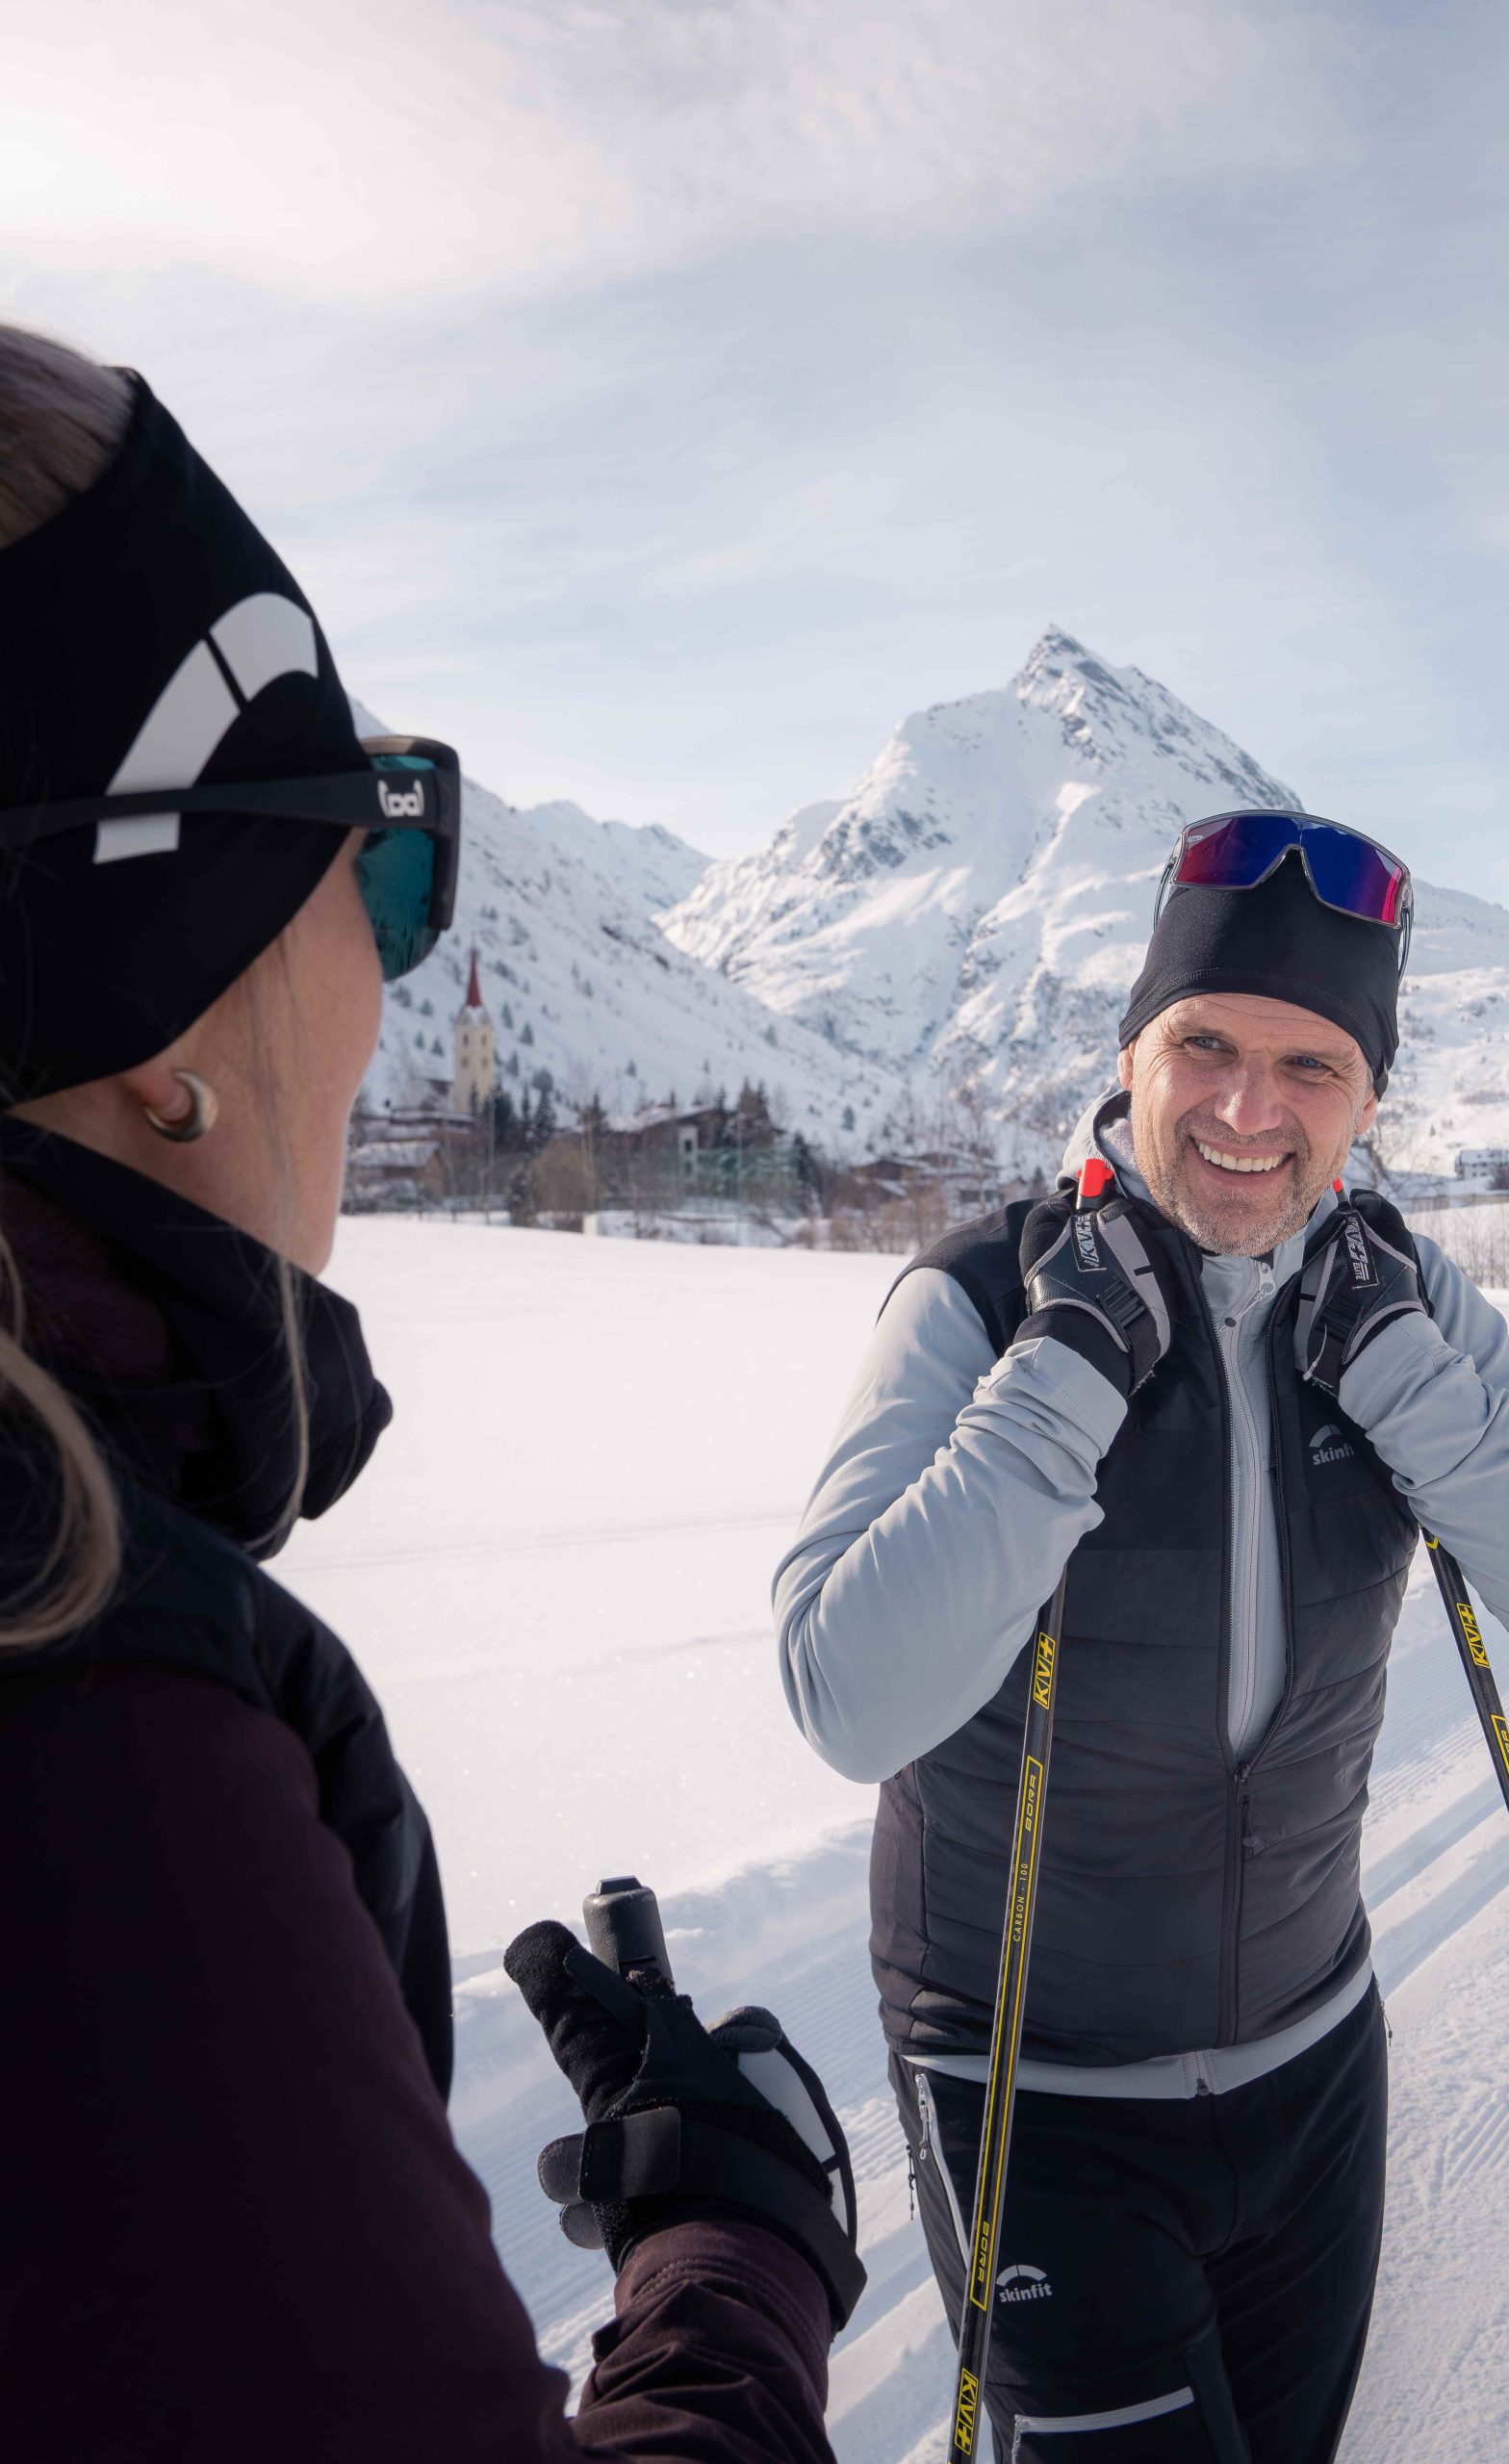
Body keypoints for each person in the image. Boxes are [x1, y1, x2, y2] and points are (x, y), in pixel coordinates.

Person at [0, 326, 859, 2463]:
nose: (386, 973)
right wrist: (733, 2258)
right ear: (144, 1006)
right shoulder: (91, 1737)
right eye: (367, 861)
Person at [778, 811, 1509, 2460]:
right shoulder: (983, 1302)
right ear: (1134, 1051)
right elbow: (847, 1696)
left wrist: (1411, 1381)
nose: (1247, 1111)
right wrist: (1065, 1376)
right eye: (1202, 1045)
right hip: (1031, 2098)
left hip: (1315, 2068)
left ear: (1368, 1101)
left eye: (1312, 1067)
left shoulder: (1402, 1299)